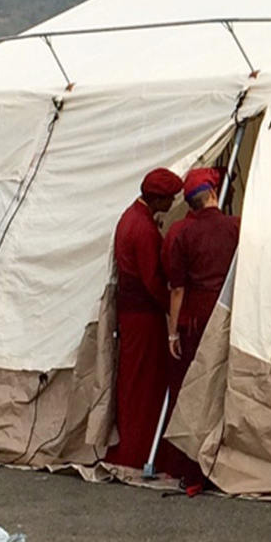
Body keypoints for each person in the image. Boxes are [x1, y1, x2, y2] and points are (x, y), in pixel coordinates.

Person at [164, 167, 240, 482]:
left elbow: (177, 287)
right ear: (212, 194)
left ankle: (192, 466)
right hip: (226, 312)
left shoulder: (181, 233)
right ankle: (224, 461)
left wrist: (172, 331)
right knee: (224, 386)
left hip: (195, 316)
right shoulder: (236, 227)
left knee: (194, 388)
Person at [105, 167, 183, 470]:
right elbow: (152, 279)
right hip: (144, 316)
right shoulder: (145, 230)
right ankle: (141, 449)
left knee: (133, 381)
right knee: (146, 384)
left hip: (130, 313)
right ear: (159, 199)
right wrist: (172, 309)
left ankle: (134, 446)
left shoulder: (129, 218)